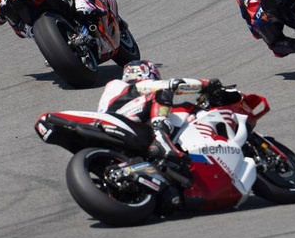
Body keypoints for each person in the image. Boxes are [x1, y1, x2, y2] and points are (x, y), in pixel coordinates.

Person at [96, 61, 244, 168]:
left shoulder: (135, 99)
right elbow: (171, 86)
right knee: (162, 94)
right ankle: (162, 139)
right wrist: (205, 84)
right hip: (117, 120)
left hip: (124, 138)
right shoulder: (119, 85)